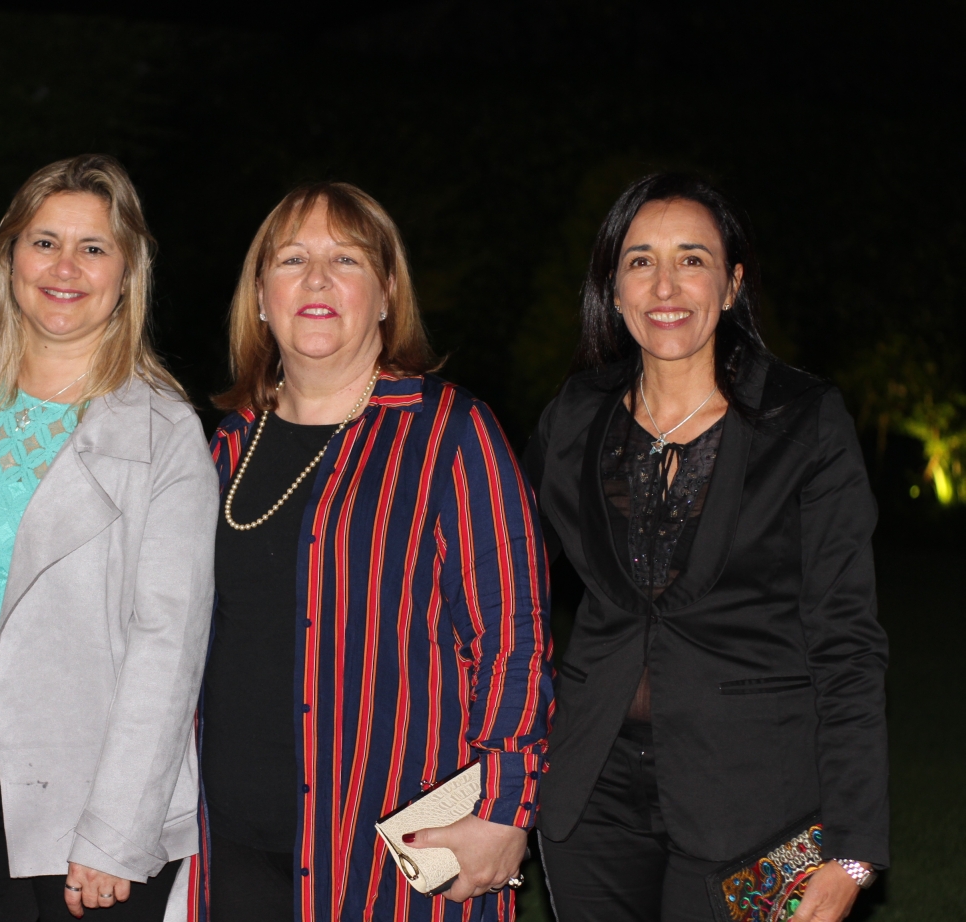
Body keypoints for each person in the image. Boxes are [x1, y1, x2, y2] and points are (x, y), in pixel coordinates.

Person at [525, 174, 889, 922]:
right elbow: (499, 579)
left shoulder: (803, 422)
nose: (666, 284)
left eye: (692, 259)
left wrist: (852, 848)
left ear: (731, 286)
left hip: (759, 804)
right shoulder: (575, 415)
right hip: (591, 795)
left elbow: (847, 639)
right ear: (614, 290)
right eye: (640, 261)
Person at [187, 181, 552, 922]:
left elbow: (515, 638)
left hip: (385, 859)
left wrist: (508, 808)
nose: (317, 279)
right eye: (292, 259)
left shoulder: (450, 432)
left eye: (345, 259)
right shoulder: (223, 447)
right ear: (261, 296)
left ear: (386, 294)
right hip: (227, 851)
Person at [0, 154, 217, 921]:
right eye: (44, 242)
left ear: (126, 272)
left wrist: (116, 831)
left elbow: (168, 649)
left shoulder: (164, 432)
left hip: (92, 820)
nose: (65, 266)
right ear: (9, 258)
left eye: (94, 247)